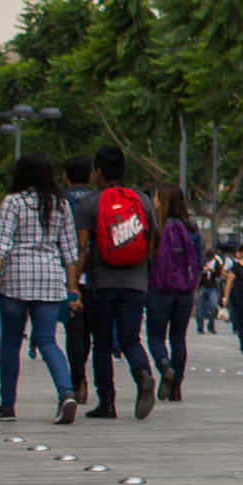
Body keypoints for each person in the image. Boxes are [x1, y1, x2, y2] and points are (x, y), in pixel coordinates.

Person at [0, 154, 79, 424]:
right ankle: (66, 393)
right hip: (49, 277)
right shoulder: (61, 205)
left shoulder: (13, 202)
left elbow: (0, 246)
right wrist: (72, 289)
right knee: (47, 339)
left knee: (11, 342)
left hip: (16, 279)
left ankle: (7, 406)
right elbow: (70, 253)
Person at [70, 145, 159, 421]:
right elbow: (151, 240)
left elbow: (81, 247)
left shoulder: (89, 204)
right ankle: (143, 373)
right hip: (135, 283)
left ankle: (107, 403)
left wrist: (73, 285)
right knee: (131, 339)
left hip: (102, 283)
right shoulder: (141, 200)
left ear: (97, 172)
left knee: (103, 344)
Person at [143, 184, 199, 403]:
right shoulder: (192, 228)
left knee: (156, 336)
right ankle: (176, 388)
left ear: (163, 201)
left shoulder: (154, 227)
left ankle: (165, 366)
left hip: (159, 288)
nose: (154, 202)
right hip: (185, 291)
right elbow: (199, 262)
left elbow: (147, 259)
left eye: (156, 197)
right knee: (178, 338)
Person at [60, 154, 93, 404]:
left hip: (68, 272)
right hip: (97, 273)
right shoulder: (98, 200)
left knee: (74, 330)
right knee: (89, 331)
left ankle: (77, 381)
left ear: (65, 176)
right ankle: (85, 380)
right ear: (91, 175)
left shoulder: (59, 202)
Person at [195, 247, 222, 335]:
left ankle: (211, 325)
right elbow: (197, 272)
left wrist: (213, 271)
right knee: (199, 307)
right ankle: (200, 327)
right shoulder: (201, 262)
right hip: (202, 287)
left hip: (212, 287)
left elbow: (219, 274)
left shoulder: (216, 263)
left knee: (213, 305)